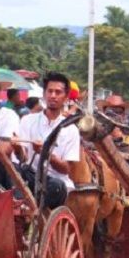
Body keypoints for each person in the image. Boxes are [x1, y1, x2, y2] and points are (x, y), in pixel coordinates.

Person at [17, 71, 81, 210]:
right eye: (50, 91)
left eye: (58, 92)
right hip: (28, 176)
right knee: (9, 169)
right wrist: (17, 147)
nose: (53, 96)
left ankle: (31, 211)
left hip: (53, 181)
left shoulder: (71, 129)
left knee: (57, 186)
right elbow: (22, 158)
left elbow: (65, 169)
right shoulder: (27, 121)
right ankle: (18, 208)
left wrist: (45, 153)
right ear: (44, 94)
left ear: (66, 97)